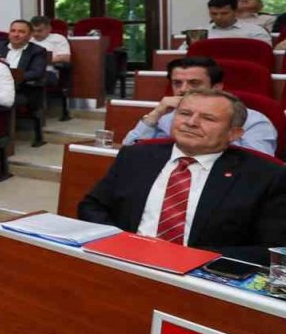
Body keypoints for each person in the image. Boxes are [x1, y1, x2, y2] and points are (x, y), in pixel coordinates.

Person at [79, 89, 286, 264]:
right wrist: (121, 242)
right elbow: (91, 206)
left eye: (208, 118)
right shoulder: (136, 156)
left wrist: (190, 258)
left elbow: (274, 249)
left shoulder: (265, 176)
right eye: (184, 113)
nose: (191, 123)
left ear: (234, 134)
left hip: (203, 277)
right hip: (125, 261)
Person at [122, 56, 277, 155]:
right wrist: (155, 115)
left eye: (194, 83)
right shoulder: (167, 117)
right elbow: (129, 151)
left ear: (217, 87)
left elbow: (259, 167)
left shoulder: (254, 121)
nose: (183, 89)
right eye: (177, 83)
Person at [206, 0, 271, 43]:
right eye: (213, 14)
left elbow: (263, 55)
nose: (218, 17)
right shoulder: (200, 32)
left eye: (224, 13)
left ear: (235, 12)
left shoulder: (256, 31)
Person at [29, 16, 71, 85]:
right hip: (28, 71)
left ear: (49, 29)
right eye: (33, 31)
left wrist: (40, 60)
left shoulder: (58, 38)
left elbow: (65, 58)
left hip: (48, 71)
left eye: (39, 31)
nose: (36, 34)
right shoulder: (29, 40)